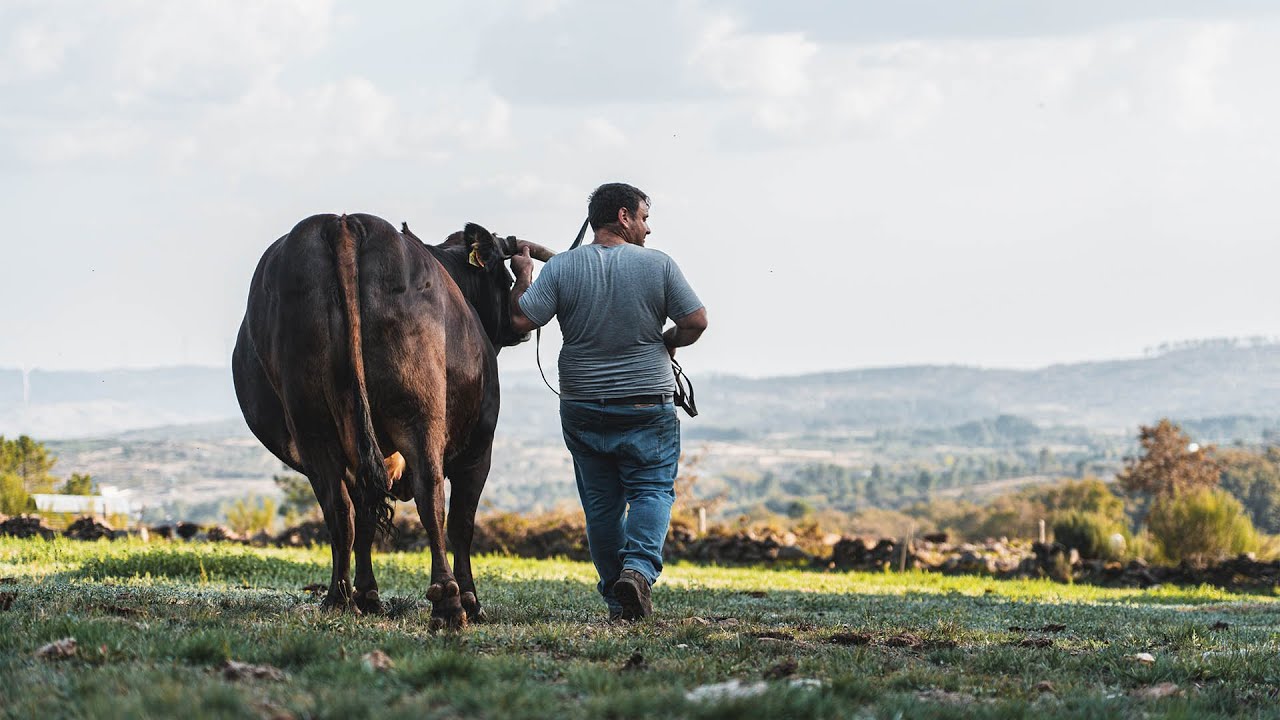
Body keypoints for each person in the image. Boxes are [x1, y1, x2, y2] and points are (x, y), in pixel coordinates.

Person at [509, 182, 708, 621]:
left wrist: (524, 273)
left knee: (601, 507)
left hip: (583, 405)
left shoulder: (562, 267)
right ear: (623, 216)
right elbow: (696, 321)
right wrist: (668, 341)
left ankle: (619, 600)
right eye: (644, 218)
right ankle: (637, 572)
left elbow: (521, 317)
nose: (648, 229)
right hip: (645, 402)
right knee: (652, 489)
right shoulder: (658, 265)